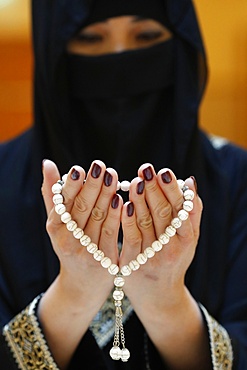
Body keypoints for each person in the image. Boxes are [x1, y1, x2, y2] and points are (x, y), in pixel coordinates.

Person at [0, 0, 247, 369]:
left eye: (146, 35)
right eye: (89, 38)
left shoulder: (236, 178)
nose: (118, 59)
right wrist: (72, 295)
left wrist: (167, 302)